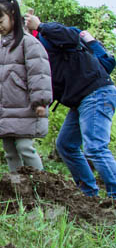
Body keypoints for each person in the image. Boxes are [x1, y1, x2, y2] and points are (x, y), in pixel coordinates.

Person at [25, 11, 116, 198]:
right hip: (80, 100)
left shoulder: (47, 35)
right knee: (66, 144)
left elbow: (72, 36)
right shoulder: (33, 53)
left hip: (96, 93)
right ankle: (89, 194)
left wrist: (40, 26)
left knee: (95, 147)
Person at [0, 0, 52, 172]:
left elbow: (39, 74)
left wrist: (41, 102)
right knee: (9, 151)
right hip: (5, 111)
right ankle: (17, 186)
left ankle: (40, 186)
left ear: (12, 15)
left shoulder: (28, 43)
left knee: (25, 147)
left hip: (26, 108)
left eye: (0, 21)